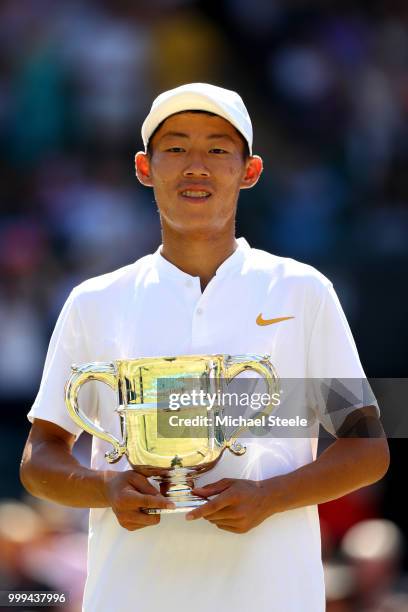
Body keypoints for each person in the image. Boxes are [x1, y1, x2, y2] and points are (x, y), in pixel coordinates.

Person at [20, 83, 390, 612]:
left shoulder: (301, 291)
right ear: (145, 168)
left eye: (218, 149)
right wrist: (106, 487)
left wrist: (270, 498)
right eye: (176, 148)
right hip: (130, 594)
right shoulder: (94, 301)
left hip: (272, 594)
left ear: (250, 171)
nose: (197, 165)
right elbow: (40, 458)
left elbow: (367, 449)